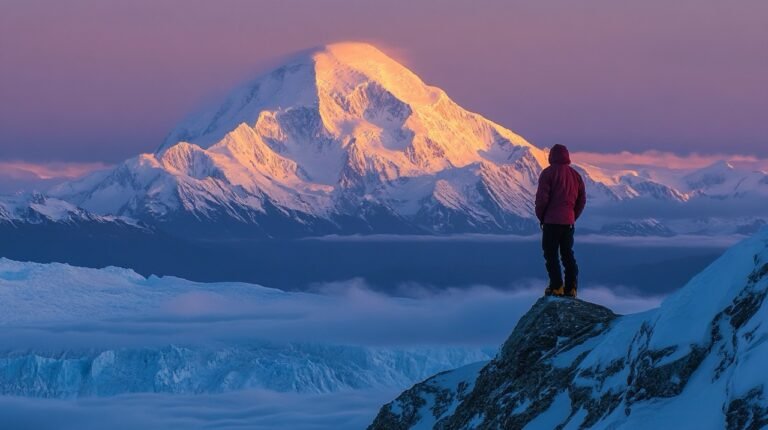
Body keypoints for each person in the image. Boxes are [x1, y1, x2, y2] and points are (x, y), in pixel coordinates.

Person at [535, 144, 586, 298]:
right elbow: (581, 200)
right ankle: (571, 288)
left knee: (551, 254)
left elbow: (542, 199)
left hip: (551, 222)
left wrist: (542, 216)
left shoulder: (548, 173)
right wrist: (572, 216)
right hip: (568, 223)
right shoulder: (575, 175)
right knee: (567, 254)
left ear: (551, 156)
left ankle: (556, 286)